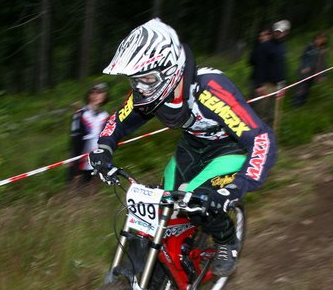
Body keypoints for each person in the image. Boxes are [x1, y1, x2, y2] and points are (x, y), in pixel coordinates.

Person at [90, 19, 277, 276]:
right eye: (135, 80)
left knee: (199, 201)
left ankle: (226, 241)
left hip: (228, 148)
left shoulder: (210, 90)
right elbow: (119, 121)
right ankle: (155, 269)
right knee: (165, 203)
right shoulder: (149, 91)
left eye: (147, 79)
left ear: (170, 70)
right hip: (192, 144)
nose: (141, 87)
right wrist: (103, 149)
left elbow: (261, 138)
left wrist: (235, 188)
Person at [68, 83, 110, 186]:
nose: (95, 96)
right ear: (89, 96)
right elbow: (75, 142)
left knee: (94, 194)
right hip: (80, 166)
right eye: (92, 92)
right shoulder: (81, 114)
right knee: (75, 193)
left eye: (99, 93)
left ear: (104, 96)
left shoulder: (105, 116)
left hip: (97, 165)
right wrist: (75, 168)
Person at [292, 31, 328, 107]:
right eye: (320, 38)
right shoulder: (310, 46)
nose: (321, 40)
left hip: (313, 73)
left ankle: (302, 104)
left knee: (307, 89)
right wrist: (305, 66)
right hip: (304, 72)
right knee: (301, 88)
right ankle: (296, 104)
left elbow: (323, 63)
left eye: (323, 38)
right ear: (316, 38)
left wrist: (322, 75)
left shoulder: (323, 49)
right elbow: (304, 58)